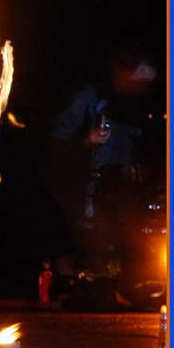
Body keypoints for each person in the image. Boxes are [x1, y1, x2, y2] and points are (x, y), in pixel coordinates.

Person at [48, 45, 159, 281]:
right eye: (132, 78)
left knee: (127, 242)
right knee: (93, 242)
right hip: (85, 190)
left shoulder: (135, 106)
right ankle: (84, 289)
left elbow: (143, 147)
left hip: (118, 191)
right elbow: (54, 144)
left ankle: (125, 289)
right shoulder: (88, 98)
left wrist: (139, 167)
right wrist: (86, 142)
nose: (136, 85)